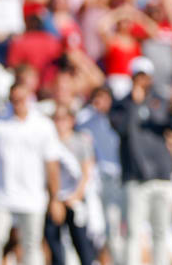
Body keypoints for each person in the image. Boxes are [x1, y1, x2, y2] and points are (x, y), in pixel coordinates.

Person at [109, 56, 172, 265]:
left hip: (161, 174)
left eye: (145, 77)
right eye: (138, 76)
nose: (142, 81)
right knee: (132, 231)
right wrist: (135, 105)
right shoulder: (121, 105)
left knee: (161, 231)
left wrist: (171, 105)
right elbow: (122, 130)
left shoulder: (160, 100)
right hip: (135, 176)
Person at [0, 84, 63, 265]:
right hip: (1, 194)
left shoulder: (43, 126)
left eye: (21, 99)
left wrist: (55, 198)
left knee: (31, 244)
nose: (18, 104)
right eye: (14, 100)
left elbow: (52, 165)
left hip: (32, 196)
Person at [45, 105, 98, 265]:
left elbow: (86, 171)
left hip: (74, 200)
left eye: (63, 119)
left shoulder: (80, 141)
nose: (59, 123)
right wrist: (54, 198)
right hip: (54, 199)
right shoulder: (48, 142)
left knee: (82, 244)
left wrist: (76, 196)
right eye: (56, 119)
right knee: (54, 244)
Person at [77, 87, 123, 265]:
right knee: (96, 225)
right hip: (95, 178)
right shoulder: (86, 120)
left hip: (116, 178)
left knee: (114, 225)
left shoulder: (118, 119)